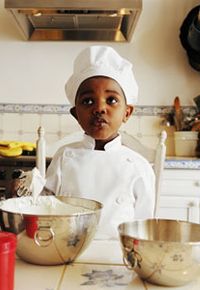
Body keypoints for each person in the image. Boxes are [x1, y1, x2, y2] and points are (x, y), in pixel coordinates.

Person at [45, 45, 155, 239]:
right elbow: (45, 209)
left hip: (117, 257)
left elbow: (144, 228)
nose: (99, 108)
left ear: (127, 113)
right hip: (67, 251)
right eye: (88, 101)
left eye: (111, 100)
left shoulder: (140, 167)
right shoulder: (63, 157)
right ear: (75, 114)